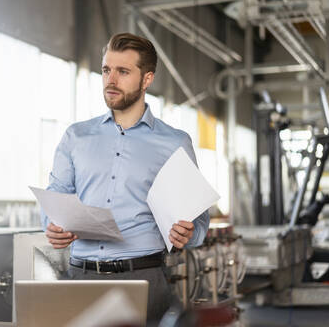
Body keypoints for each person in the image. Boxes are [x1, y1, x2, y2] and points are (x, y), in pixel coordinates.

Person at [40, 32, 210, 322]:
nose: (111, 80)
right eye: (106, 70)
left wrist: (190, 232)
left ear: (147, 79)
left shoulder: (174, 142)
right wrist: (52, 225)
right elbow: (55, 195)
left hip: (144, 279)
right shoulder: (76, 136)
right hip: (80, 277)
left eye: (123, 71)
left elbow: (199, 220)